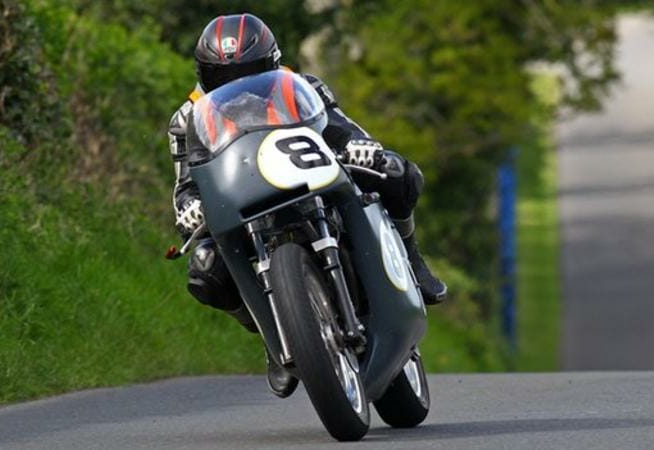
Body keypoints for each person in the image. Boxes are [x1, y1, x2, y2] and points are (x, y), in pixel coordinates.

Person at [167, 13, 446, 397]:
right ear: (204, 75)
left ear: (271, 63)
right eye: (223, 77)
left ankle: (413, 261)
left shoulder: (300, 86)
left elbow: (343, 128)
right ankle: (273, 335)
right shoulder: (186, 120)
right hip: (243, 202)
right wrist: (188, 209)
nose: (238, 86)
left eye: (249, 73)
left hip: (310, 180)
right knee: (205, 268)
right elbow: (185, 183)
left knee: (398, 173)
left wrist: (363, 149)